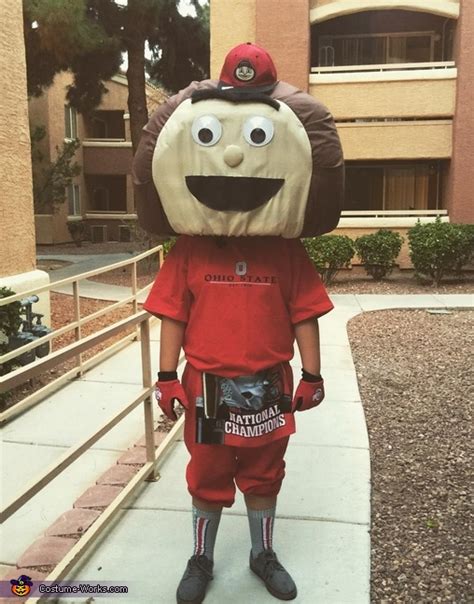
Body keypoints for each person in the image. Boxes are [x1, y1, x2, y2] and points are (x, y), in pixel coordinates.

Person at [133, 42, 344, 604]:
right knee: (206, 474)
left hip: (269, 386)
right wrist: (166, 376)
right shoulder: (190, 250)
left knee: (264, 473)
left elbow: (305, 314)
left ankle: (261, 553)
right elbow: (173, 315)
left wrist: (313, 375)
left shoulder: (286, 251)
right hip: (206, 388)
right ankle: (201, 558)